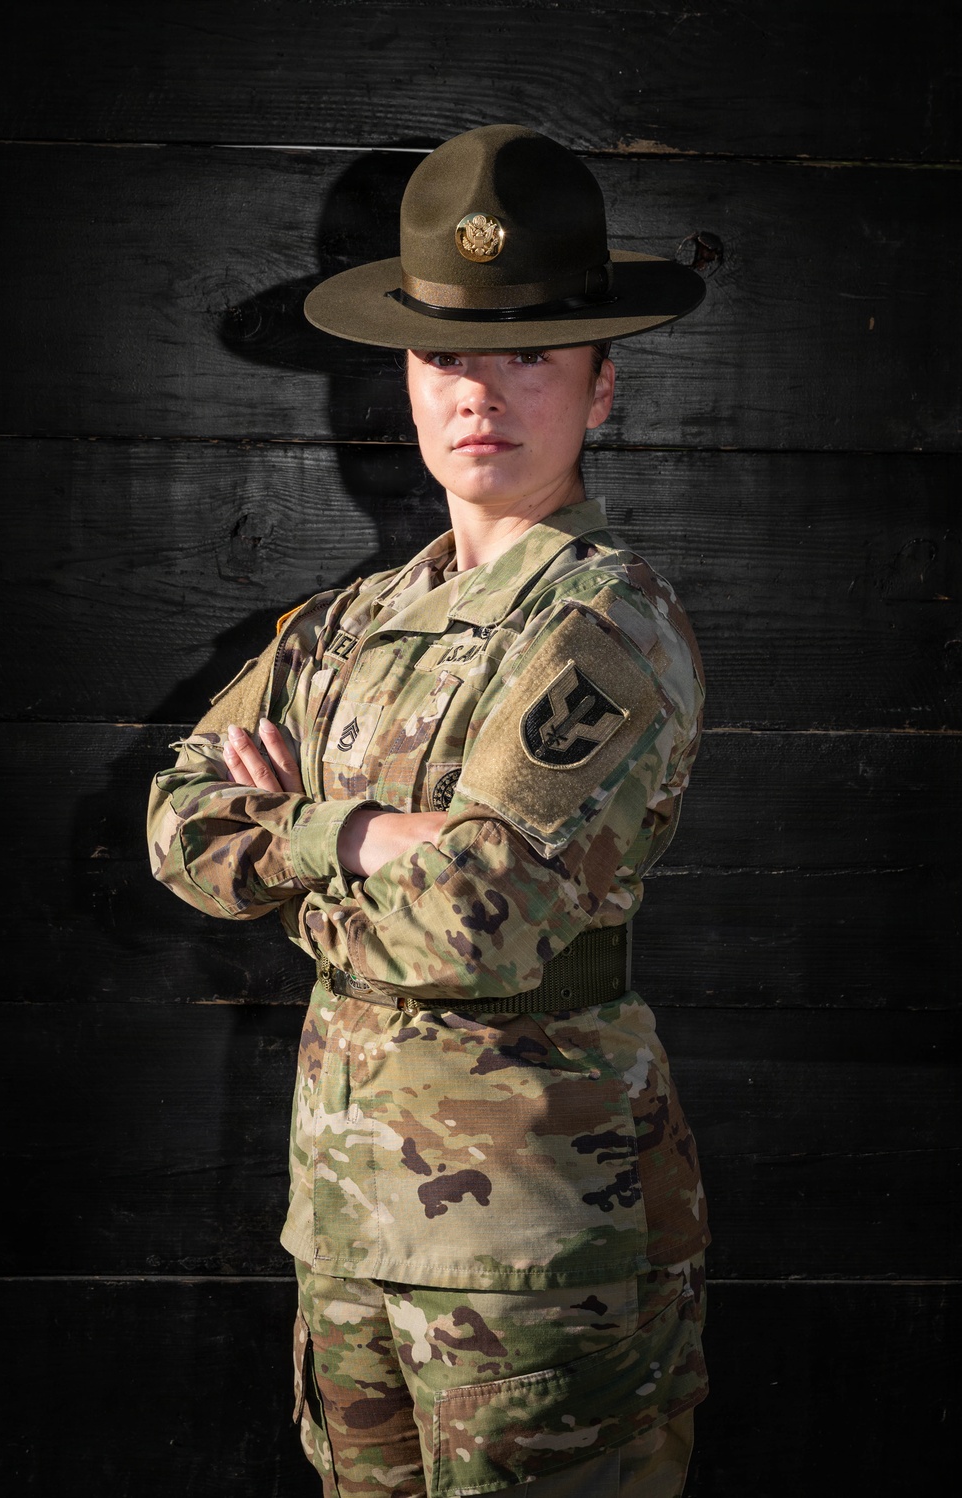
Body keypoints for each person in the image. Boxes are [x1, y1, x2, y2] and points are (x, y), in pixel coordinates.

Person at [148, 124, 710, 1498]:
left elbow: (482, 922)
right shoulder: (352, 622)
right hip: (347, 1230)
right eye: (449, 355)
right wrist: (351, 834)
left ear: (602, 386)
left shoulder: (604, 621)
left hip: (535, 1252)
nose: (482, 394)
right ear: (406, 378)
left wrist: (290, 848)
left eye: (531, 354)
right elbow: (176, 817)